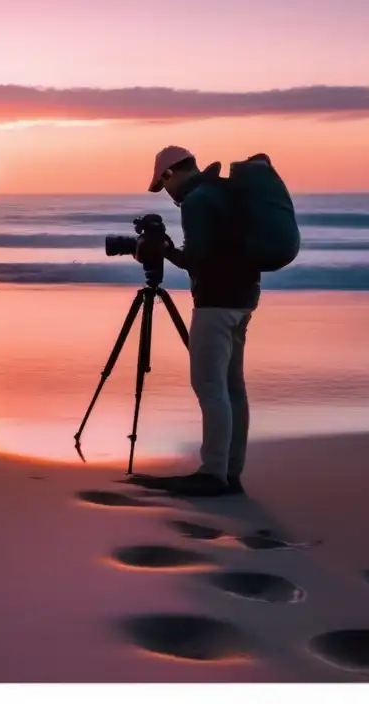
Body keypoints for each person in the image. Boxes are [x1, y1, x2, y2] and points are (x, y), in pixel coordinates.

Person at [131, 146, 261, 497]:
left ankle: (212, 473)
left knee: (209, 384)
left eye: (163, 184)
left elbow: (198, 260)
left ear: (172, 173)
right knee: (233, 386)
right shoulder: (220, 192)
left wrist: (167, 252)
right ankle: (231, 471)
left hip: (216, 302)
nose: (168, 194)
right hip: (244, 297)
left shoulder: (197, 201)